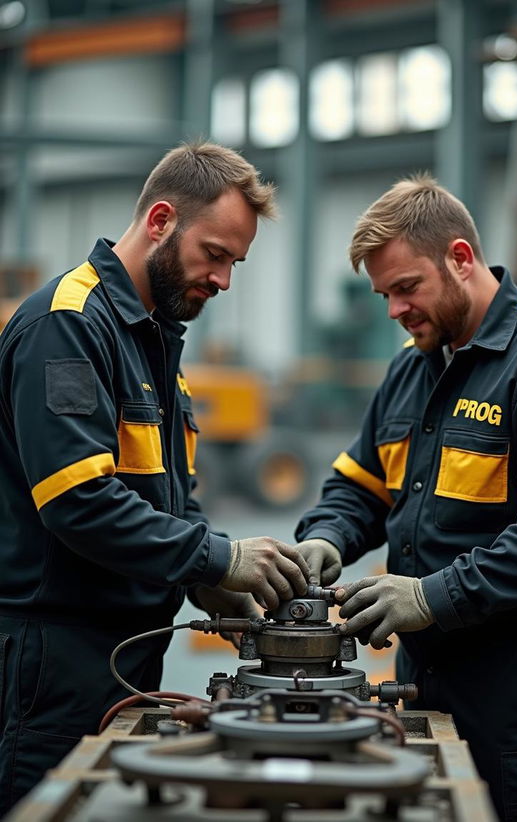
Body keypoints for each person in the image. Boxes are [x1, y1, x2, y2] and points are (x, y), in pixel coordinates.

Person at [295, 173, 517, 821]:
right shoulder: (413, 365)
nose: (394, 309)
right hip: (429, 669)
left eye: (406, 288)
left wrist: (429, 595)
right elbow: (360, 485)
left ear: (460, 257)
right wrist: (325, 538)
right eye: (384, 294)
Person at [0, 141, 309, 812]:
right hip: (54, 659)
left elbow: (169, 498)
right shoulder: (70, 327)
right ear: (162, 219)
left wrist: (202, 576)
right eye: (215, 254)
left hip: (124, 653)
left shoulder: (151, 337)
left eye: (235, 262)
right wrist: (219, 556)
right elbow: (78, 501)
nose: (224, 280)